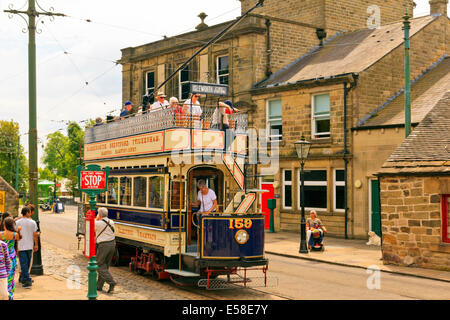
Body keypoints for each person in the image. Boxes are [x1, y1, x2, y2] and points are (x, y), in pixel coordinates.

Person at [16, 206, 39, 288]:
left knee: (24, 263)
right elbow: (35, 235)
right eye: (29, 212)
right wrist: (36, 244)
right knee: (27, 263)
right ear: (27, 213)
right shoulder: (33, 222)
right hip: (29, 245)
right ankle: (27, 279)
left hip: (21, 245)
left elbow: (16, 234)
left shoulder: (17, 222)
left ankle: (24, 278)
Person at [95, 207, 116, 293]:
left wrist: (97, 218)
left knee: (98, 264)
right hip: (112, 244)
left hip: (103, 245)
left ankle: (111, 282)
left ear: (99, 215)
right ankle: (99, 286)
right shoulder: (111, 222)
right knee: (105, 266)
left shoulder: (97, 223)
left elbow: (91, 227)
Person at [0, 216, 21, 299]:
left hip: (3, 257)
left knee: (4, 276)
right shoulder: (15, 235)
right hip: (12, 257)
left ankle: (4, 292)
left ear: (4, 225)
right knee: (11, 277)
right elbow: (18, 240)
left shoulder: (1, 234)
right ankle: (10, 295)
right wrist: (18, 230)